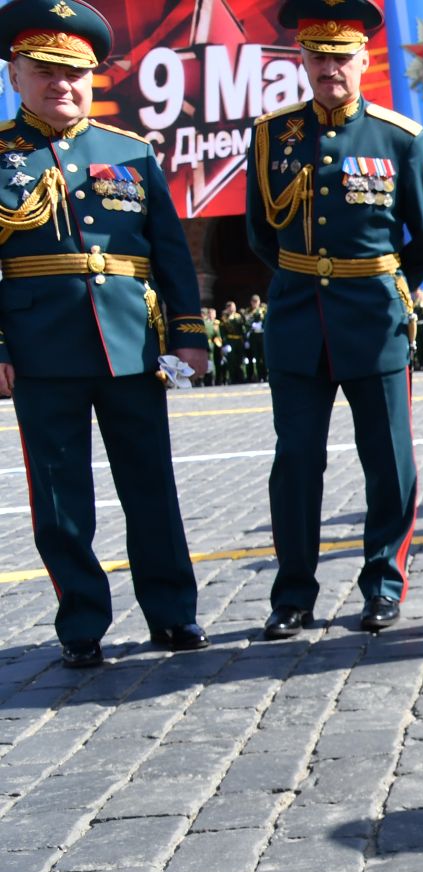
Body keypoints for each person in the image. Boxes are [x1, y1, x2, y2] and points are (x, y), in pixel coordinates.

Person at [0, 0, 210, 669]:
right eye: (45, 72)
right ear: (15, 75)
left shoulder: (132, 154)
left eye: (75, 73)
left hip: (129, 346)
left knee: (151, 487)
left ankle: (174, 616)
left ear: (93, 76)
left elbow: (171, 255)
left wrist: (187, 335)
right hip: (39, 350)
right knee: (61, 501)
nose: (62, 85)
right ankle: (82, 623)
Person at [247, 0, 423, 639]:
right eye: (318, 56)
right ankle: (293, 596)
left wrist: (387, 285)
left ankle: (383, 585)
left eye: (341, 56)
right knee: (296, 462)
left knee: (388, 461)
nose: (329, 67)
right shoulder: (272, 135)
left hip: (374, 317)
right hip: (297, 321)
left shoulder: (399, 137)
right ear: (301, 60)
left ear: (365, 59)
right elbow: (261, 235)